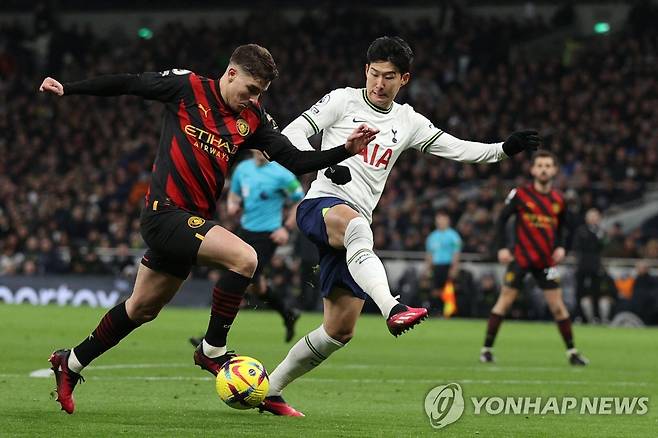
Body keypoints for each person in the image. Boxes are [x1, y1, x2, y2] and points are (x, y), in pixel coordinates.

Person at [38, 43, 379, 414]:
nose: (253, 98)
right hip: (164, 213)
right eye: (250, 89)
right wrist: (69, 88)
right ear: (231, 73)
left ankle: (69, 362)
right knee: (245, 259)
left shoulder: (253, 118)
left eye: (260, 93)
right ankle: (212, 349)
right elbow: (130, 83)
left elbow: (295, 160)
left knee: (141, 309)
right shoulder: (186, 87)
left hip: (190, 222)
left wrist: (346, 149)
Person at [259, 36, 542, 416]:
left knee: (338, 331)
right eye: (374, 74)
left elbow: (457, 148)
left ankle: (270, 391)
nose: (379, 83)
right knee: (359, 228)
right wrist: (325, 161)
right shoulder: (342, 100)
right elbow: (291, 133)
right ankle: (393, 308)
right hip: (321, 205)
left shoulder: (408, 121)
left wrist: (502, 150)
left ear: (404, 79)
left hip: (352, 227)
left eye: (388, 77)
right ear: (365, 71)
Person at [480, 150, 588, 366]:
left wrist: (561, 247)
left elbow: (568, 228)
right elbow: (501, 220)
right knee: (505, 302)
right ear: (532, 170)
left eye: (548, 166)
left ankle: (572, 352)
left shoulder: (559, 199)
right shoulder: (520, 195)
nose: (544, 169)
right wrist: (502, 247)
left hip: (546, 261)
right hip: (521, 258)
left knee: (557, 307)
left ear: (555, 170)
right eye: (540, 166)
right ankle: (487, 350)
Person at [189, 149, 304, 345]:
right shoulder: (242, 169)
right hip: (245, 231)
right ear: (252, 148)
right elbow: (234, 194)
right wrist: (233, 204)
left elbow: (300, 200)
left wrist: (286, 228)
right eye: (258, 146)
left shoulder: (282, 173)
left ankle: (211, 338)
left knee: (233, 280)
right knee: (257, 286)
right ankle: (287, 312)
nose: (262, 151)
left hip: (268, 235)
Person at [572, 208, 613, 324]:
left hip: (596, 266)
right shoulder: (581, 230)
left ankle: (596, 317)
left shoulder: (601, 232)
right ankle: (578, 316)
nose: (594, 219)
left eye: (596, 216)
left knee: (596, 292)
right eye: (592, 216)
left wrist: (602, 237)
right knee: (579, 292)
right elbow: (577, 246)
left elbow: (605, 246)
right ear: (587, 218)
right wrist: (595, 236)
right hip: (583, 265)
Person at [424, 210, 462, 315]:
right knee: (435, 291)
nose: (440, 222)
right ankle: (437, 311)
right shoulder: (432, 237)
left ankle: (449, 313)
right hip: (436, 266)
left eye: (442, 219)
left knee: (448, 290)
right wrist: (428, 268)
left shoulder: (453, 236)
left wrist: (454, 268)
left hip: (447, 266)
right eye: (438, 220)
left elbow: (456, 253)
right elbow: (429, 254)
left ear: (447, 221)